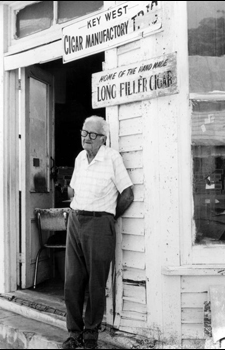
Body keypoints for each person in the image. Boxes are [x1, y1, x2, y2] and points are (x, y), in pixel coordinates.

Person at [62, 116, 134, 349]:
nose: (87, 138)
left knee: (95, 283)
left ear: (103, 138)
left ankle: (91, 334)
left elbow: (128, 193)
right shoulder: (80, 158)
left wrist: (109, 216)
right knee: (72, 281)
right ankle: (74, 334)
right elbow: (73, 190)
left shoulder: (111, 157)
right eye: (84, 132)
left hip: (99, 224)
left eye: (92, 135)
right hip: (75, 221)